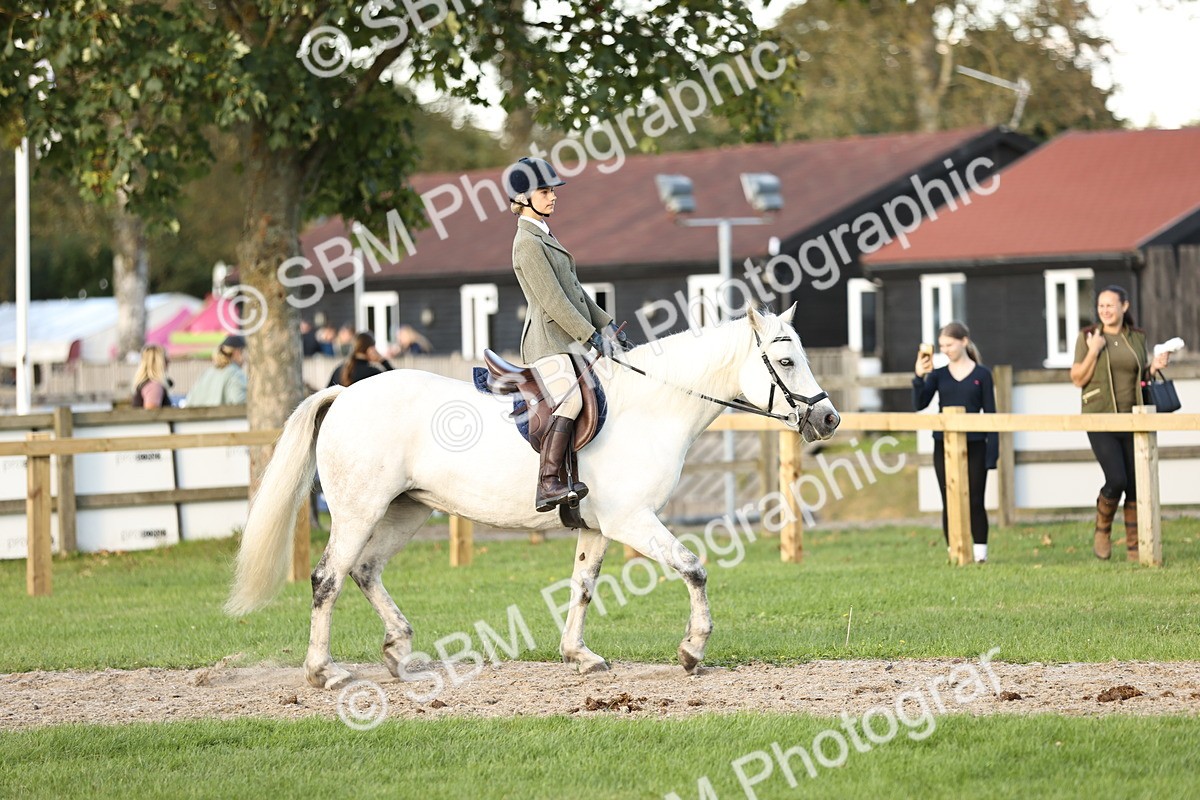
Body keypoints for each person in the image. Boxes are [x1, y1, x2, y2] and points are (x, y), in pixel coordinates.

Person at [506, 155, 627, 512]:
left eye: (553, 190)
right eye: (545, 191)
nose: (553, 196)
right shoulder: (527, 242)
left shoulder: (544, 234)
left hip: (566, 339)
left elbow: (575, 290)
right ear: (524, 198)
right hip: (546, 341)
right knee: (571, 400)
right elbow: (555, 301)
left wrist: (606, 326)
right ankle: (547, 483)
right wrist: (591, 337)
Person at [1070, 285, 1170, 561]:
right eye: (1101, 306)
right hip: (1100, 415)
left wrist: (1154, 368)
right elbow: (1077, 378)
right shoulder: (1088, 336)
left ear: (1124, 307)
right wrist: (1094, 350)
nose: (1105, 310)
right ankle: (1102, 530)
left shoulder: (1137, 337)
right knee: (1116, 479)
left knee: (1136, 486)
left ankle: (1135, 547)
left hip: (1134, 416)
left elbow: (1139, 373)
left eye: (1110, 305)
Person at [913, 321, 998, 563]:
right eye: (942, 346)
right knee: (948, 499)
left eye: (949, 344)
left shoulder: (983, 375)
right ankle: (954, 551)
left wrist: (992, 454)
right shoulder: (938, 375)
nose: (945, 349)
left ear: (964, 341)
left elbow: (991, 416)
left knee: (975, 500)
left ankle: (980, 552)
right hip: (944, 446)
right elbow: (919, 403)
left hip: (976, 445)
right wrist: (920, 376)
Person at [186, 334, 248, 406]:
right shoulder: (235, 373)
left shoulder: (206, 373)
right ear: (237, 352)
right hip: (224, 416)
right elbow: (240, 401)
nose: (245, 358)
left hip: (198, 416)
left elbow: (190, 401)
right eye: (244, 352)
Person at [328, 332, 393, 387]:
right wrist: (383, 361)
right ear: (371, 349)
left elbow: (326, 394)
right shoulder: (372, 373)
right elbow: (397, 381)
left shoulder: (339, 370)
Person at [131, 344, 173, 409]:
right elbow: (151, 416)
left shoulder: (146, 384)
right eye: (165, 359)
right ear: (159, 362)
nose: (169, 361)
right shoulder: (154, 386)